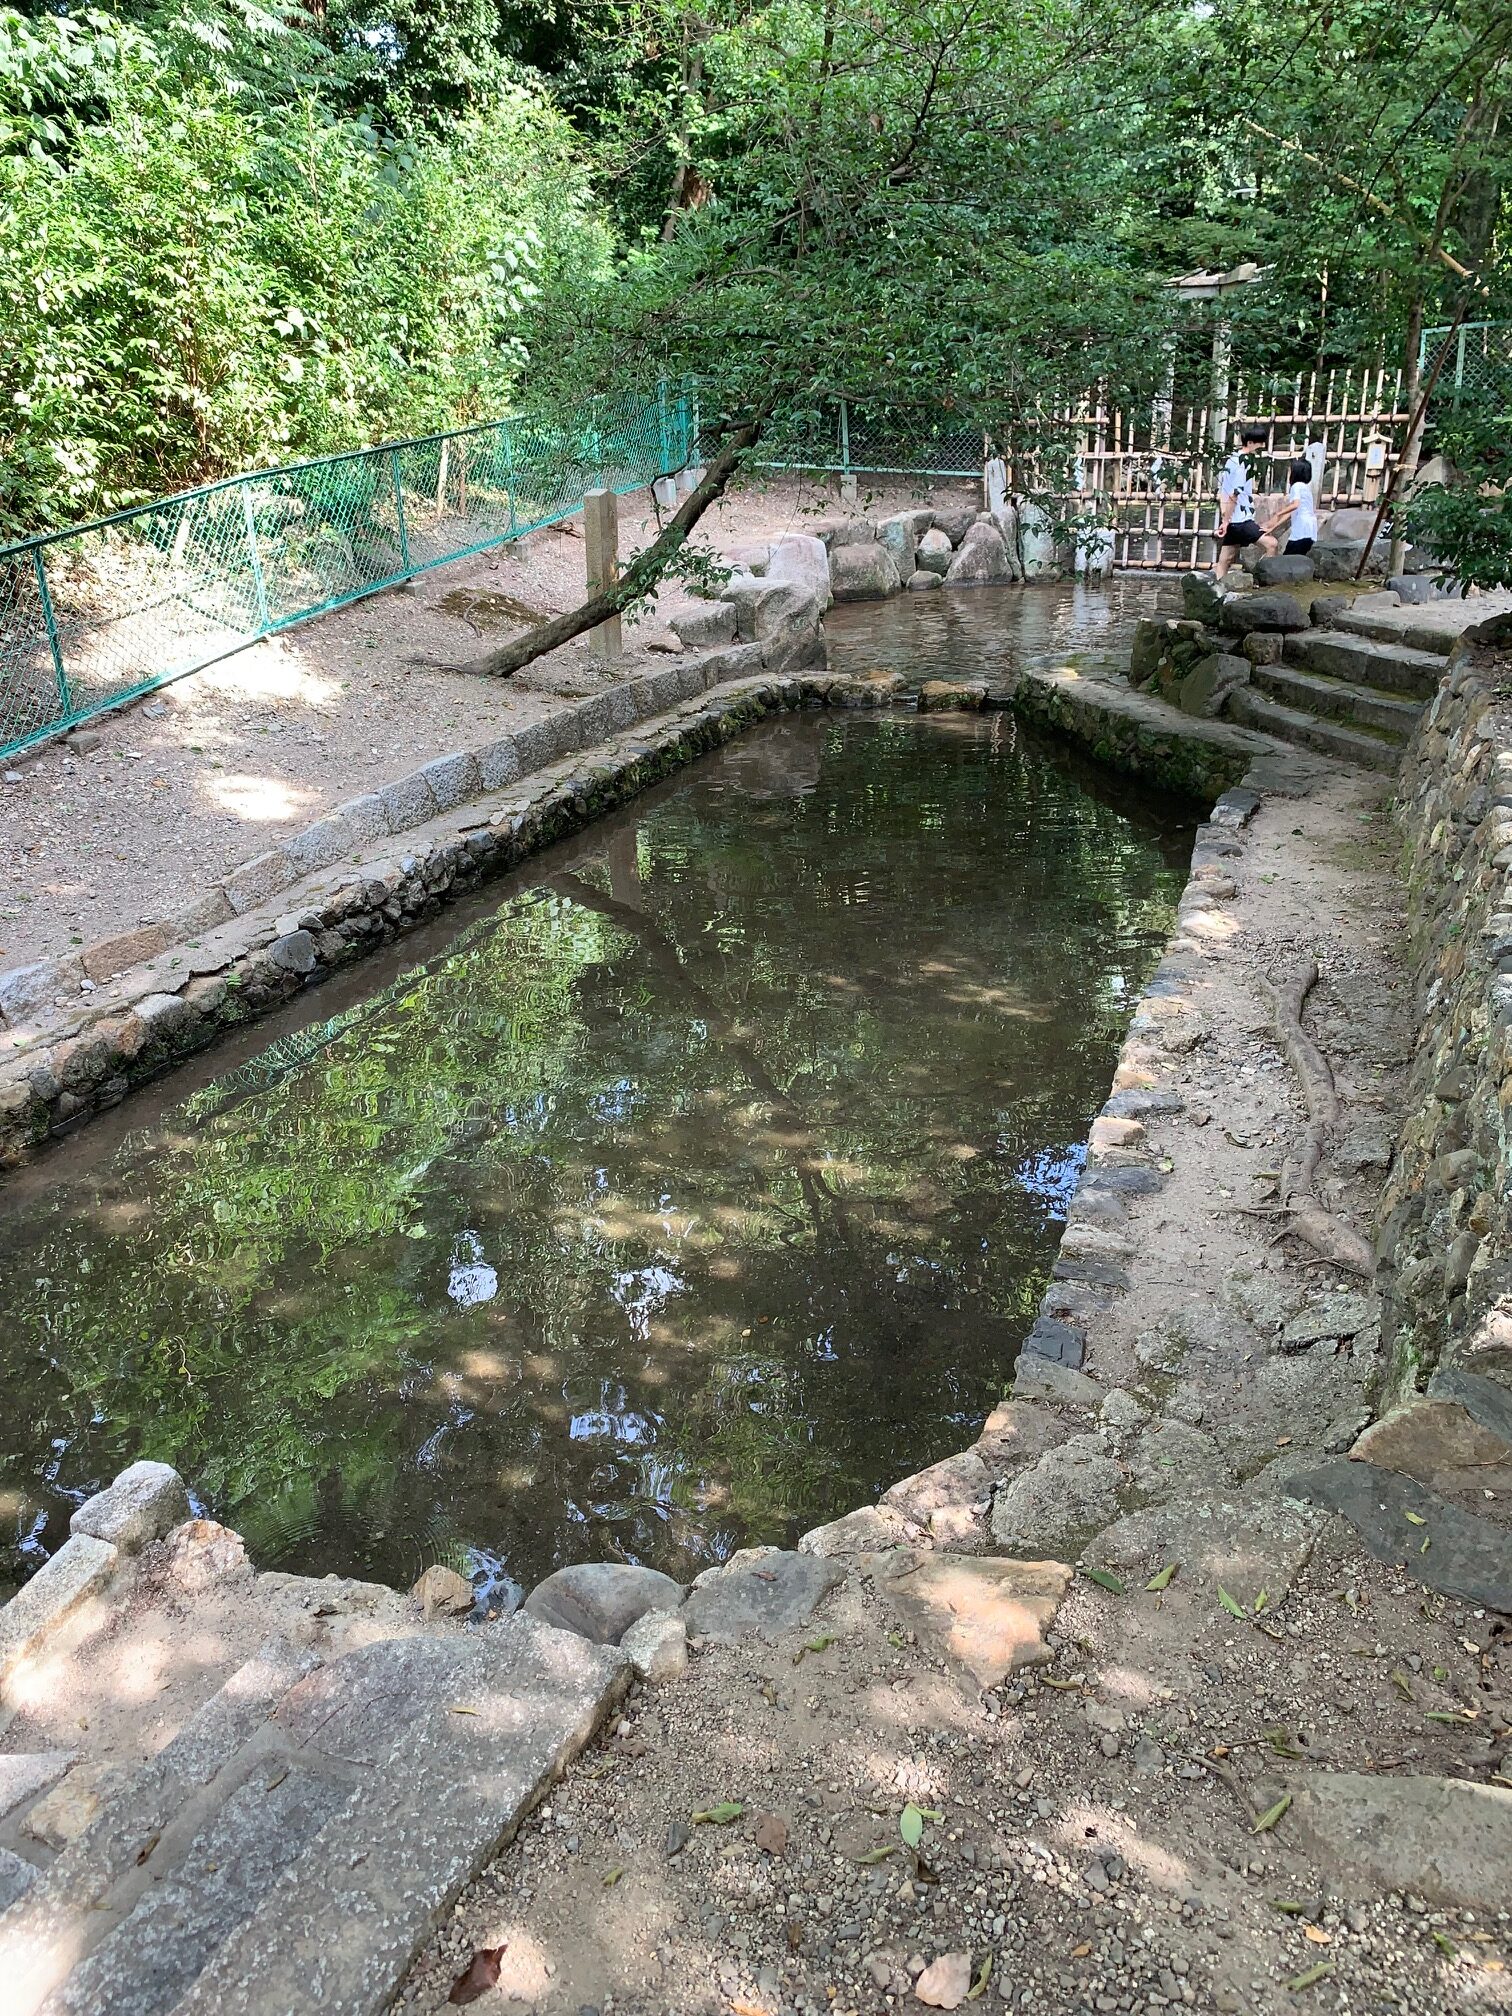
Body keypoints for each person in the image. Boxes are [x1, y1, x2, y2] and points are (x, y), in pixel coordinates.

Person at [1213, 424, 1276, 582]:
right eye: (1260, 443)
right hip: (1240, 520)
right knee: (1271, 544)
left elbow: (1225, 491)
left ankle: (1218, 590)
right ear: (1250, 443)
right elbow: (1235, 494)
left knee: (1225, 560)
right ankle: (1261, 580)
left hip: (1234, 519)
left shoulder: (1232, 460)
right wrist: (1226, 521)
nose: (1261, 447)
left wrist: (1224, 519)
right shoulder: (1242, 464)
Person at [1264, 457, 1320, 555]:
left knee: (1288, 561)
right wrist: (1273, 527)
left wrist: (1278, 513)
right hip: (1310, 530)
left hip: (1301, 530)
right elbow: (1291, 512)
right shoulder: (1306, 488)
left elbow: (1295, 505)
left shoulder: (1296, 486)